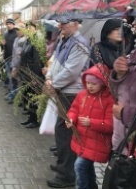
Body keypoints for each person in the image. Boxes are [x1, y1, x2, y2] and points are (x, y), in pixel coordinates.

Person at [45, 18, 89, 188]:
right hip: (63, 91)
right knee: (62, 132)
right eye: (59, 22)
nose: (60, 26)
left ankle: (67, 175)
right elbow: (55, 62)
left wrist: (53, 84)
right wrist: (49, 78)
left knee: (65, 133)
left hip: (71, 94)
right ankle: (64, 165)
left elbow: (71, 71)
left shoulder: (80, 44)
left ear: (76, 24)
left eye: (64, 23)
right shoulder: (65, 40)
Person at [66, 63, 114, 189]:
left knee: (80, 166)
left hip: (97, 142)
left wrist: (91, 123)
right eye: (88, 83)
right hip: (81, 140)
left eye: (94, 83)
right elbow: (74, 110)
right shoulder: (82, 95)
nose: (90, 86)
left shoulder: (109, 100)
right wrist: (71, 119)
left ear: (102, 83)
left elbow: (110, 125)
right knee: (86, 168)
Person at [110, 16, 136, 156]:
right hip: (123, 140)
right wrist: (118, 74)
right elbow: (122, 90)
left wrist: (123, 113)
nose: (134, 23)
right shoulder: (134, 52)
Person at [1, 18, 17, 90]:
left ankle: (12, 91)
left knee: (12, 76)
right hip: (7, 57)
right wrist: (2, 44)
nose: (8, 25)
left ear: (13, 24)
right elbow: (3, 46)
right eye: (7, 24)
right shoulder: (5, 34)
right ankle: (10, 90)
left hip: (13, 58)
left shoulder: (16, 33)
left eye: (10, 24)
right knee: (8, 74)